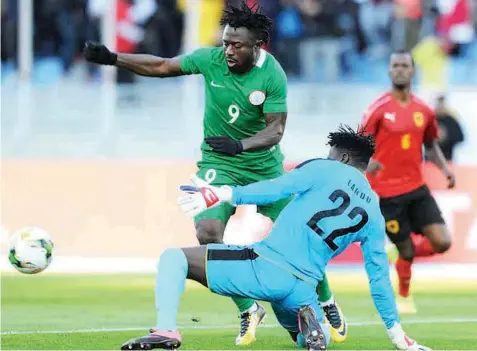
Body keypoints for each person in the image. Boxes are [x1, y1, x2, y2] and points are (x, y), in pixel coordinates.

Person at [83, 0, 346, 345]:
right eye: (225, 43)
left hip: (263, 167)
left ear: (256, 46)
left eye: (236, 45)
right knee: (207, 232)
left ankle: (325, 300)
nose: (228, 51)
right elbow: (163, 66)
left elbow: (276, 130)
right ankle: (248, 307)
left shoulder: (272, 74)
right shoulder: (211, 60)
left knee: (303, 237)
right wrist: (114, 58)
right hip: (217, 165)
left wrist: (240, 145)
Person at [120, 125, 431, 351]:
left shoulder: (324, 169)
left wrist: (223, 193)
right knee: (299, 335)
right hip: (301, 288)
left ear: (345, 158)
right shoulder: (374, 214)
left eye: (331, 154)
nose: (327, 157)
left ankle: (167, 331)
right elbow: (378, 278)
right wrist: (396, 333)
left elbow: (275, 188)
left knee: (174, 257)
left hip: (262, 266)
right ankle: (315, 327)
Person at [360, 50, 455, 314]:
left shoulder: (423, 110)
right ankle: (403, 294)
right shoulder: (377, 108)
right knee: (408, 251)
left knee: (443, 242)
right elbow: (357, 146)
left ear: (413, 71)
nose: (400, 69)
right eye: (395, 65)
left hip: (417, 188)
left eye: (405, 65)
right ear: (390, 71)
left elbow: (431, 144)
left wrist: (445, 170)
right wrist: (368, 163)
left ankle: (402, 253)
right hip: (387, 195)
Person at [433, 94, 464, 162]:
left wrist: (446, 138)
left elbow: (460, 137)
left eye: (442, 104)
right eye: (438, 104)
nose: (440, 106)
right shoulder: (430, 119)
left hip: (447, 158)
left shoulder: (451, 120)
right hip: (431, 160)